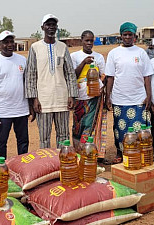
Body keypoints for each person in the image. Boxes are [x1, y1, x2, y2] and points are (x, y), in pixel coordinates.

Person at [24, 14, 78, 149]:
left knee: (63, 136)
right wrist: (34, 99)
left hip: (62, 99)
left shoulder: (63, 47)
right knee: (44, 138)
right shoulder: (35, 48)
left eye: (53, 25)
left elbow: (70, 72)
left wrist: (71, 95)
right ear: (43, 27)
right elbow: (30, 75)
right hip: (43, 101)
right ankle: (47, 166)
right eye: (48, 24)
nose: (51, 27)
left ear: (56, 27)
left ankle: (62, 165)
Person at [105, 22, 154, 164]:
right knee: (120, 130)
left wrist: (149, 96)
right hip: (120, 99)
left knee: (140, 130)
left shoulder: (141, 53)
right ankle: (121, 154)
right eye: (125, 34)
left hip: (138, 98)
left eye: (130, 35)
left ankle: (139, 154)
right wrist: (108, 97)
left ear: (134, 36)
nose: (127, 37)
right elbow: (110, 77)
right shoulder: (114, 53)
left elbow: (147, 76)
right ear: (121, 36)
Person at [0, 31, 30, 159]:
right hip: (3, 111)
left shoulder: (22, 60)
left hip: (21, 110)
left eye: (11, 42)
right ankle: (1, 170)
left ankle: (23, 168)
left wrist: (30, 107)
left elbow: (26, 84)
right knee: (1, 144)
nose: (9, 45)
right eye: (6, 42)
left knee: (23, 143)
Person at [70, 30, 107, 160]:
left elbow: (104, 75)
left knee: (89, 127)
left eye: (91, 41)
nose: (89, 43)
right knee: (77, 128)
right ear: (81, 40)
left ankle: (88, 154)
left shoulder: (99, 57)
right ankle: (77, 153)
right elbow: (72, 75)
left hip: (93, 98)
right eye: (87, 40)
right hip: (79, 98)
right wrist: (83, 63)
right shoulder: (74, 56)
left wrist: (100, 86)